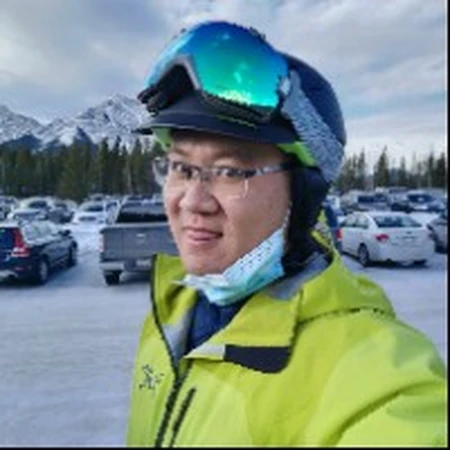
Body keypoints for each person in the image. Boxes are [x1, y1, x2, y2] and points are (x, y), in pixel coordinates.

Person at [126, 20, 447, 447]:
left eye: (229, 171)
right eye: (181, 167)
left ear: (301, 191)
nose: (192, 201)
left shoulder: (372, 373)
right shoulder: (170, 309)